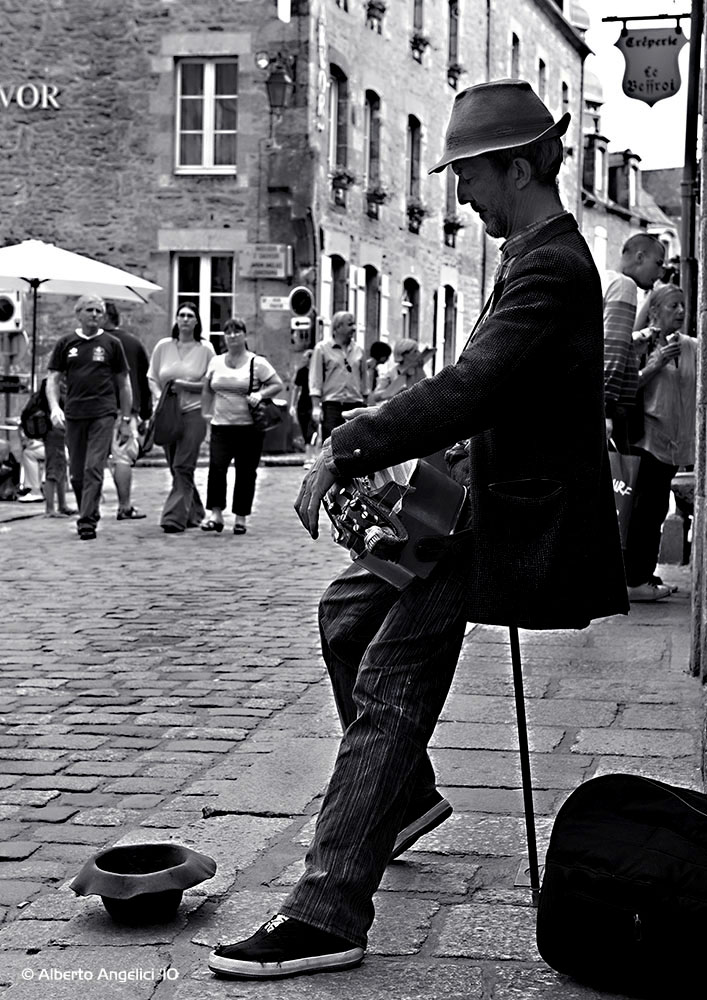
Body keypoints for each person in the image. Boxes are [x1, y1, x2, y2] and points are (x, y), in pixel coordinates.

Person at [208, 79, 628, 981]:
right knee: (345, 617)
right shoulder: (529, 251)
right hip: (456, 500)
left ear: (518, 167)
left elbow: (470, 387)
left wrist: (345, 448)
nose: (459, 194)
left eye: (469, 175)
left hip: (498, 515)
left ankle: (326, 910)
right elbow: (476, 390)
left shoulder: (551, 264)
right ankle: (403, 799)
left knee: (391, 684)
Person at [624, 284, 695, 602]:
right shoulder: (640, 345)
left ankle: (644, 574)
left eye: (683, 305)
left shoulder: (691, 346)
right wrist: (656, 364)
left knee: (652, 513)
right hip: (646, 441)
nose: (681, 312)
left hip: (673, 445)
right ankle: (635, 580)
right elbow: (626, 387)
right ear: (654, 312)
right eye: (673, 306)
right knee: (643, 514)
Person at [46, 296, 132, 540]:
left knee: (94, 466)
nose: (95, 314)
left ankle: (85, 521)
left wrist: (125, 419)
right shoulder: (66, 343)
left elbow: (124, 383)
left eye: (99, 311)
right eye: (90, 310)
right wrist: (55, 407)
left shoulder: (111, 344)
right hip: (74, 413)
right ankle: (90, 509)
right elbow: (53, 379)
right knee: (76, 472)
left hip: (103, 413)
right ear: (79, 314)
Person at [200, 317, 283, 535]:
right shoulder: (216, 362)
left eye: (237, 331)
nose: (232, 336)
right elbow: (208, 388)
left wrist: (260, 394)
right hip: (221, 425)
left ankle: (240, 517)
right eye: (228, 332)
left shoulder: (256, 362)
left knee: (246, 472)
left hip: (249, 427)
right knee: (216, 469)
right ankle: (215, 514)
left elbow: (277, 384)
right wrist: (206, 414)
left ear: (245, 336)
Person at [147, 301, 214, 533]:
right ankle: (195, 512)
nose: (185, 319)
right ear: (176, 320)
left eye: (189, 316)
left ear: (197, 321)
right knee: (176, 467)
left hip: (195, 413)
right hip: (168, 412)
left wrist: (184, 385)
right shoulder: (163, 347)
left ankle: (173, 518)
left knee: (183, 465)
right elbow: (153, 377)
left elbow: (210, 383)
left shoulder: (205, 350)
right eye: (181, 315)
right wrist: (158, 396)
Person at [602, 234, 665, 453]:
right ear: (640, 257)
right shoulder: (625, 286)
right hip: (612, 406)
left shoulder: (606, 279)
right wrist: (607, 410)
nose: (659, 274)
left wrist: (632, 341)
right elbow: (611, 351)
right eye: (658, 263)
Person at [102, 301, 152, 521]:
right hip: (125, 410)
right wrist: (145, 413)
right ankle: (124, 505)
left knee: (93, 459)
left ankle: (90, 507)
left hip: (98, 408)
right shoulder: (133, 343)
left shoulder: (96, 343)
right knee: (122, 458)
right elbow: (143, 379)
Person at [309, 312, 367, 441]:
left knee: (355, 444)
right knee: (332, 445)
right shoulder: (322, 349)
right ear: (338, 327)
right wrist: (316, 407)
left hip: (355, 404)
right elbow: (315, 379)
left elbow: (364, 379)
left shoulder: (359, 350)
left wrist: (366, 402)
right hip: (332, 406)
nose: (354, 328)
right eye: (350, 324)